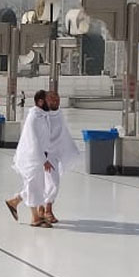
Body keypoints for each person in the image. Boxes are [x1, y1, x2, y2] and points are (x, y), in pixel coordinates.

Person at [5, 90, 54, 228]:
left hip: (39, 155)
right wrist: (43, 160)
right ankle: (35, 218)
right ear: (40, 101)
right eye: (48, 100)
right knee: (33, 185)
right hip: (31, 156)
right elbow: (33, 140)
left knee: (36, 185)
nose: (50, 102)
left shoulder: (43, 116)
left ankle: (14, 202)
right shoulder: (34, 116)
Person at [38, 91, 80, 224]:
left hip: (56, 153)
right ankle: (46, 209)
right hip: (45, 154)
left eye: (57, 99)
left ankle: (42, 208)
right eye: (52, 99)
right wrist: (43, 158)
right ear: (46, 101)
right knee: (50, 183)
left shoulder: (60, 114)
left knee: (52, 183)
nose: (56, 102)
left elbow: (63, 133)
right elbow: (39, 137)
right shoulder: (42, 116)